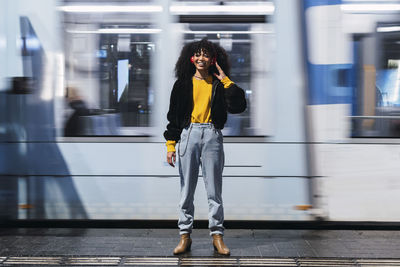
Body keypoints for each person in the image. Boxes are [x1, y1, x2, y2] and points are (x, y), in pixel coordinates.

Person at [163, 38, 247, 255]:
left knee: (214, 191)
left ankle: (217, 236)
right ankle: (185, 236)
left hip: (212, 134)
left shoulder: (219, 84)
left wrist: (226, 80)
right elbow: (173, 117)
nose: (201, 58)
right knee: (187, 190)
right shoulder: (182, 84)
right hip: (188, 134)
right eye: (198, 54)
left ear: (213, 60)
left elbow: (239, 106)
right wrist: (170, 145)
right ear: (191, 58)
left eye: (206, 55)